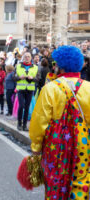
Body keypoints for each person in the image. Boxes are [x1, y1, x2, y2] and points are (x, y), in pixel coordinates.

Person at [29, 46, 90, 200]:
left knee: (54, 182)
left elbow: (39, 121)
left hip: (55, 144)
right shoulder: (88, 88)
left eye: (55, 64)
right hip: (83, 143)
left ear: (61, 66)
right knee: (80, 182)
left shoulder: (50, 89)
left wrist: (36, 147)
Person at [13, 52, 40, 131]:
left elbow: (38, 79)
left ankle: (24, 125)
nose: (27, 58)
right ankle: (19, 123)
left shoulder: (35, 67)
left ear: (31, 58)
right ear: (23, 58)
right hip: (21, 89)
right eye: (26, 56)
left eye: (28, 56)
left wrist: (32, 78)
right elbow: (13, 77)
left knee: (27, 107)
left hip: (30, 90)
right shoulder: (18, 66)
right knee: (21, 106)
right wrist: (19, 77)